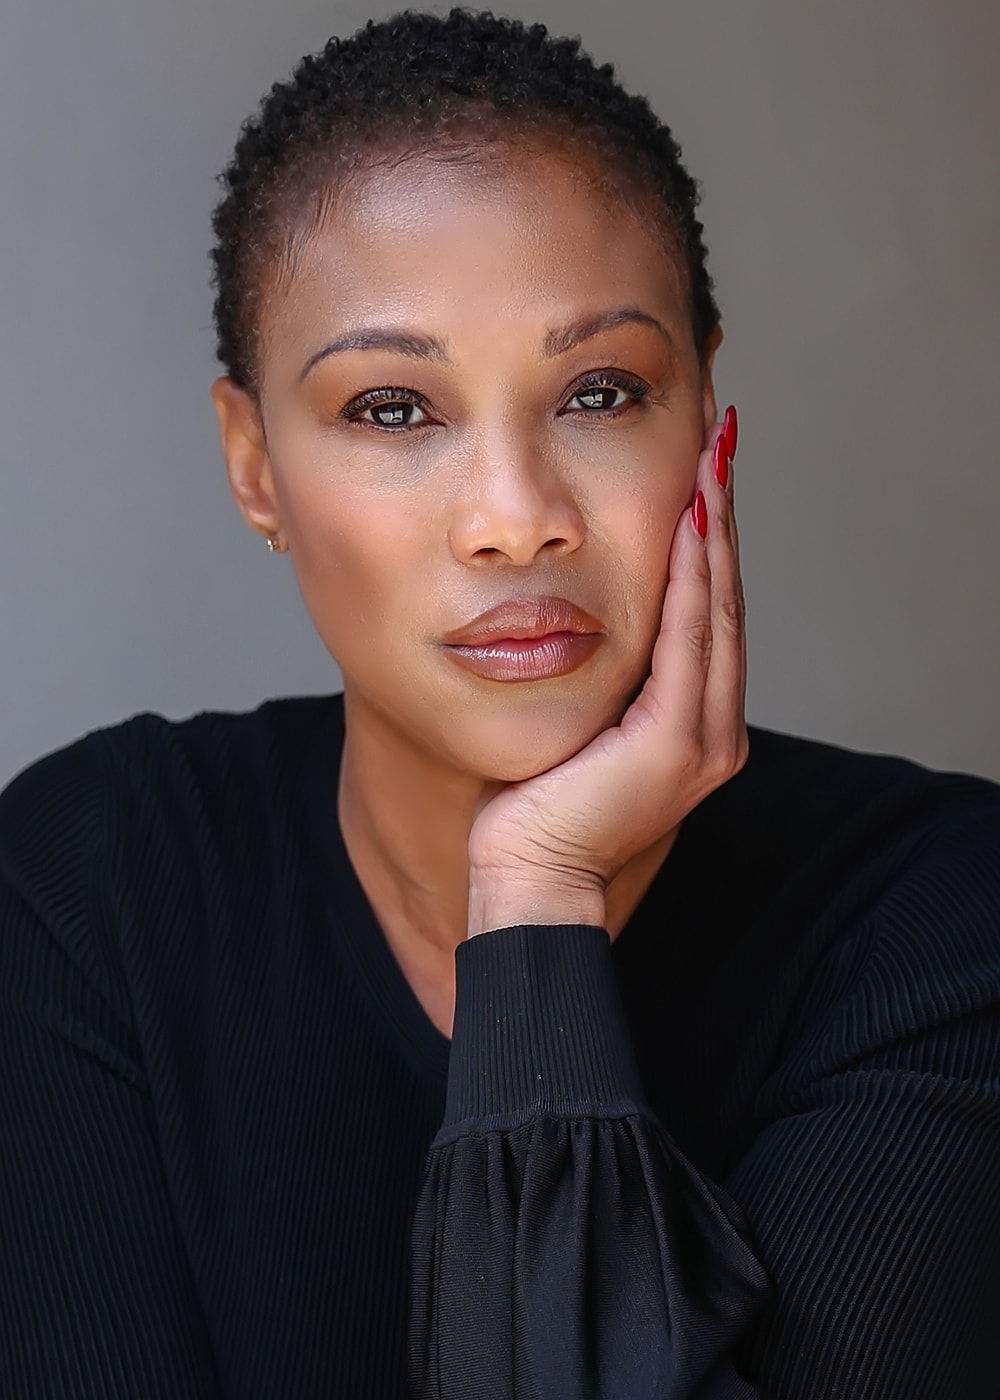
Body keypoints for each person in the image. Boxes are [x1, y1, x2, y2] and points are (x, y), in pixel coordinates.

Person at [1, 8, 998, 1397]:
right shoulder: (84, 896)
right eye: (395, 409)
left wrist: (533, 899)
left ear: (707, 409)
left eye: (599, 390)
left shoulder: (947, 927)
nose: (515, 522)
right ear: (253, 466)